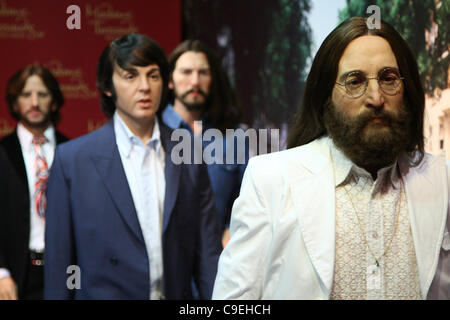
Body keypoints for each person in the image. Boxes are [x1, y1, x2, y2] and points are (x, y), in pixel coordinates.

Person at [212, 17, 450, 300]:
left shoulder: (442, 181)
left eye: (388, 78)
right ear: (326, 96)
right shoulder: (272, 180)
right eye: (355, 81)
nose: (375, 97)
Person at [44, 33, 222, 300]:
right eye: (130, 76)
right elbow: (60, 268)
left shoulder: (188, 150)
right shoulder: (73, 160)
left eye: (153, 75)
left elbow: (207, 253)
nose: (144, 87)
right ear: (107, 87)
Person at [162, 39, 248, 247]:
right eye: (186, 72)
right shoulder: (151, 131)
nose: (194, 82)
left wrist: (231, 228)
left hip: (216, 262)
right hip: (161, 262)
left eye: (203, 73)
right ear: (170, 80)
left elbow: (249, 198)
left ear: (212, 80)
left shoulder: (233, 137)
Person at [0, 64, 68, 300]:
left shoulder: (74, 151)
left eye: (42, 94)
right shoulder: (2, 153)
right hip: (16, 275)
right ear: (15, 103)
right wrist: (1, 273)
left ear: (55, 101)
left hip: (65, 271)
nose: (35, 102)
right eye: (26, 95)